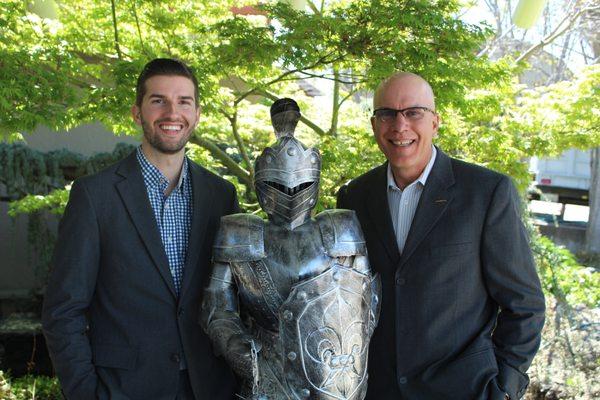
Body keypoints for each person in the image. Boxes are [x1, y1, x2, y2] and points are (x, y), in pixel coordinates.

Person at [337, 72, 545, 400]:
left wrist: (505, 387)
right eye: (387, 114)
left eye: (413, 113)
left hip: (465, 390)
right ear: (375, 125)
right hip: (376, 390)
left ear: (435, 122)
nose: (399, 125)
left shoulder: (486, 193)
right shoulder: (354, 197)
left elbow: (525, 304)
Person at [42, 58, 239, 399]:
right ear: (137, 113)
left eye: (183, 101)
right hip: (124, 389)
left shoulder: (221, 195)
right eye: (158, 100)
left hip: (209, 385)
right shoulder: (95, 196)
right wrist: (86, 393)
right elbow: (63, 310)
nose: (172, 113)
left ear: (197, 114)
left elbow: (236, 298)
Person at [201, 98, 380, 400]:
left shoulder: (339, 227)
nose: (291, 194)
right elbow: (217, 309)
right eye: (280, 187)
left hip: (334, 374)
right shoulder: (240, 233)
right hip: (269, 372)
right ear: (262, 186)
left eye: (301, 186)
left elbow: (364, 304)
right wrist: (245, 356)